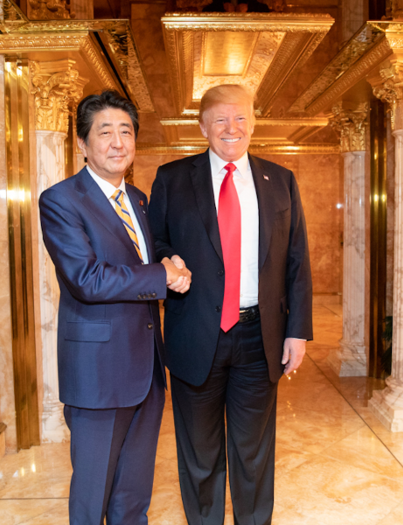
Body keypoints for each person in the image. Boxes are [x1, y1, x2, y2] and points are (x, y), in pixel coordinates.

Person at [148, 84, 312, 525]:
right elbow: (154, 243)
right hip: (195, 333)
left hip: (261, 337)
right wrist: (166, 259)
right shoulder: (172, 178)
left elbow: (296, 259)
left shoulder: (280, 180)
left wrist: (297, 331)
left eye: (240, 118)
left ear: (254, 122)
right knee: (199, 453)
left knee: (253, 451)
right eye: (220, 119)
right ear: (202, 126)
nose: (231, 128)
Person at [39, 90, 191, 525]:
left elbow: (140, 257)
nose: (118, 142)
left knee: (133, 494)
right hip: (98, 373)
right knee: (91, 497)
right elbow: (87, 279)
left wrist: (169, 262)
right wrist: (162, 276)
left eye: (126, 131)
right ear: (83, 145)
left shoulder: (138, 200)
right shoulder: (61, 200)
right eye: (105, 132)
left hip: (146, 372)